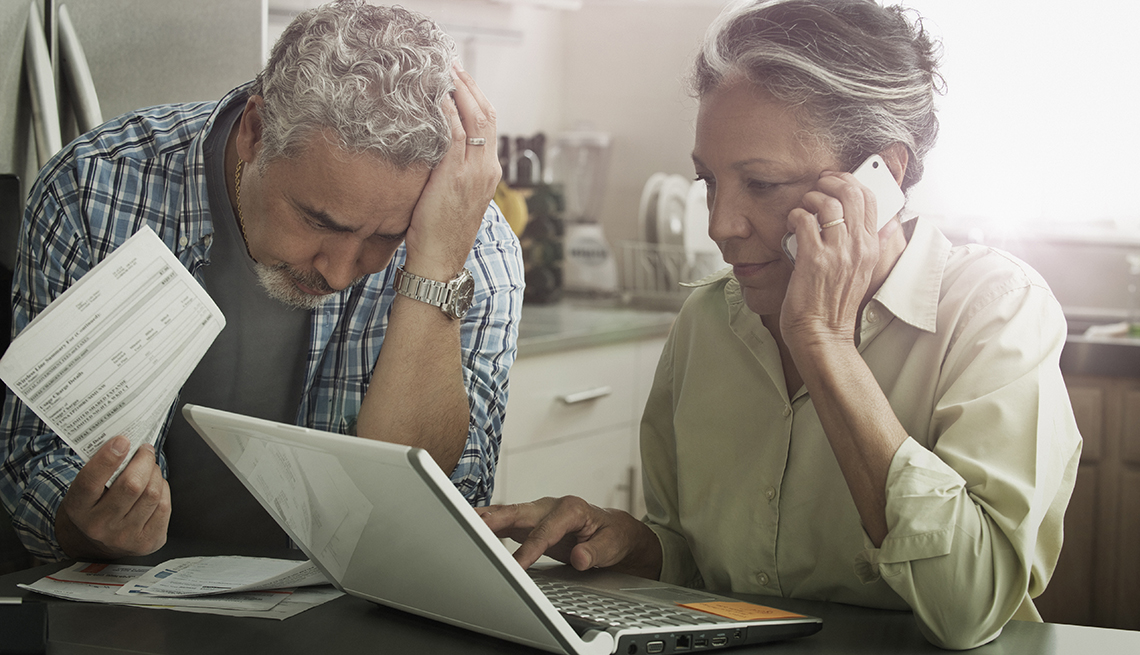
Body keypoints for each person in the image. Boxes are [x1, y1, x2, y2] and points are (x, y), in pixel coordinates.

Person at [477, 0, 1082, 649]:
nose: (718, 223)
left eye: (760, 184)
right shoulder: (708, 320)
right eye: (708, 181)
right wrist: (633, 544)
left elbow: (971, 608)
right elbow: (704, 563)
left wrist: (824, 344)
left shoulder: (996, 311)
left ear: (882, 175)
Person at [2, 0, 524, 563]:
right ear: (255, 131)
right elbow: (34, 460)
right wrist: (85, 526)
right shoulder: (93, 185)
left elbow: (432, 511)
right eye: (319, 222)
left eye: (385, 238)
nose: (339, 271)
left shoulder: (475, 244)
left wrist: (435, 268)